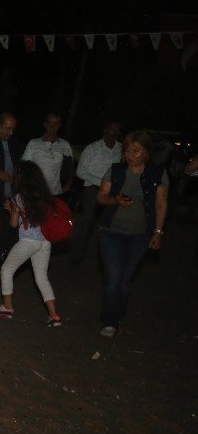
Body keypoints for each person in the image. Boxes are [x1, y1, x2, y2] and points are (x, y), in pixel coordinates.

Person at [95, 131, 169, 336]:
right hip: (111, 232)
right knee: (113, 279)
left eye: (136, 151)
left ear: (146, 153)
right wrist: (114, 200)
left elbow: (161, 203)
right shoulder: (116, 170)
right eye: (127, 151)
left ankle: (118, 313)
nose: (130, 155)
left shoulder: (158, 173)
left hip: (140, 236)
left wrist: (158, 232)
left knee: (124, 282)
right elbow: (100, 196)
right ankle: (110, 322)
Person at [0, 161, 63, 327]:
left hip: (28, 241)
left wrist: (12, 210)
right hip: (45, 242)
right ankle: (54, 315)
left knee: (7, 270)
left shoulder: (19, 197)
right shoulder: (45, 197)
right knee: (42, 278)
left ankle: (7, 307)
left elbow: (14, 224)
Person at [71, 121, 122, 263]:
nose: (114, 132)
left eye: (117, 130)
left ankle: (107, 258)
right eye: (111, 129)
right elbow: (80, 172)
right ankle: (77, 254)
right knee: (86, 223)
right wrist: (103, 183)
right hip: (92, 190)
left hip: (113, 192)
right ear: (105, 130)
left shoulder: (122, 149)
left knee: (112, 225)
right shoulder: (92, 148)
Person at [22, 113, 73, 196]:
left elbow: (70, 168)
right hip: (34, 192)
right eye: (50, 123)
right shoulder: (33, 143)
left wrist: (67, 186)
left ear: (59, 125)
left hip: (55, 192)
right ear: (45, 124)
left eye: (56, 123)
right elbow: (23, 166)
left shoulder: (65, 145)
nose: (53, 126)